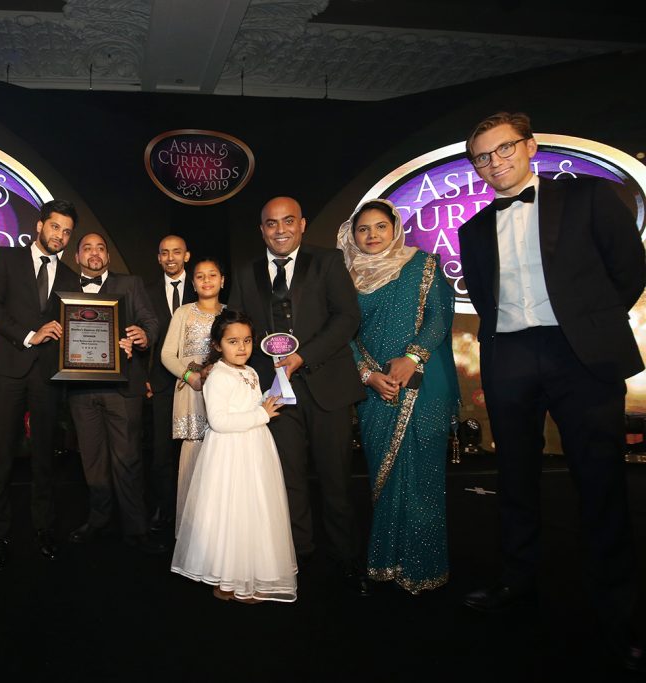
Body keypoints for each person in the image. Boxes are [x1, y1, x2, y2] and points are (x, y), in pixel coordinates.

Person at [458, 112, 645, 671]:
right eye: (483, 157)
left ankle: (619, 611)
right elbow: (485, 300)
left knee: (600, 481)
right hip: (511, 356)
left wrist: (588, 324)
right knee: (515, 478)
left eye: (503, 149)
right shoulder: (473, 229)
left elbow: (629, 270)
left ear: (530, 146)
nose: (494, 162)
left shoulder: (589, 197)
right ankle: (517, 583)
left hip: (579, 353)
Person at [227, 195, 369, 595]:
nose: (280, 230)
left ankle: (345, 557)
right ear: (261, 230)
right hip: (274, 394)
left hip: (327, 386)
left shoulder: (328, 262)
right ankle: (297, 554)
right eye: (271, 224)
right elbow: (235, 326)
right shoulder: (246, 272)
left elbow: (348, 318)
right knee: (286, 478)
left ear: (302, 224)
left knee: (336, 479)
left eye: (288, 221)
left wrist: (302, 357)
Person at [336, 199, 459, 594]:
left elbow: (439, 316)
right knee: (384, 475)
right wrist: (368, 374)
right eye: (363, 229)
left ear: (395, 228)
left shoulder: (422, 265)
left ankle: (424, 567)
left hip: (423, 381)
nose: (372, 235)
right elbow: (343, 334)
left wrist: (412, 358)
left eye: (380, 227)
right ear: (352, 235)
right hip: (374, 387)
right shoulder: (345, 277)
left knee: (424, 475)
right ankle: (386, 561)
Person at [0, 199, 81, 570]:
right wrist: (28, 335)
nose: (60, 236)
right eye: (55, 227)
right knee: (1, 454)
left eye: (67, 232)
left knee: (44, 458)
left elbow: (76, 327)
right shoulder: (7, 258)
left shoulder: (70, 277)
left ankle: (44, 527)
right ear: (39, 226)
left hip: (48, 375)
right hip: (8, 368)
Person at [171, 310, 296, 604]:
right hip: (229, 454)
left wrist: (270, 396)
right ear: (217, 344)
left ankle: (248, 574)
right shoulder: (217, 376)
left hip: (254, 449)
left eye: (247, 341)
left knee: (252, 510)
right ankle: (226, 580)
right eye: (233, 341)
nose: (242, 347)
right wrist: (261, 414)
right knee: (230, 511)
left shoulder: (250, 372)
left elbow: (247, 404)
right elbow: (219, 421)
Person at [66, 232, 164, 555]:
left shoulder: (130, 284)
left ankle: (136, 528)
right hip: (82, 389)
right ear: (77, 256)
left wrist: (143, 335)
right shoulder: (65, 289)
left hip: (123, 388)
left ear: (108, 256)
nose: (94, 253)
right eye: (87, 248)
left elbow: (150, 321)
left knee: (128, 460)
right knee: (92, 461)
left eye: (100, 248)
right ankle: (99, 520)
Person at [160, 258, 224, 531]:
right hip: (192, 393)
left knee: (222, 454)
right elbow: (166, 354)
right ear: (193, 284)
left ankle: (219, 530)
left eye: (212, 275)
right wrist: (190, 377)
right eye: (200, 276)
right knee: (194, 454)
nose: (206, 280)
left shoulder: (230, 314)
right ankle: (190, 532)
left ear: (223, 280)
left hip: (222, 395)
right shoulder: (183, 312)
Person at [146, 235, 197, 533]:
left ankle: (196, 507)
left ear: (186, 256)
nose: (170, 258)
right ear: (158, 258)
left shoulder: (202, 285)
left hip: (198, 382)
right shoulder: (147, 291)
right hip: (161, 383)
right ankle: (164, 509)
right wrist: (145, 377)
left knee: (195, 446)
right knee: (161, 451)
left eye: (176, 252)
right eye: (164, 253)